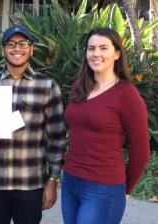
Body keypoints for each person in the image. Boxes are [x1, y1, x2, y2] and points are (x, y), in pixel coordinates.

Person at [0, 25, 66, 224]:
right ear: (3, 49)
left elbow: (57, 138)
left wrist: (53, 180)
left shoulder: (46, 85)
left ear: (31, 49)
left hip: (31, 185)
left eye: (22, 43)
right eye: (10, 44)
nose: (16, 48)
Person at [61, 27, 151, 224]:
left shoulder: (126, 94)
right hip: (70, 181)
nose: (96, 54)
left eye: (104, 48)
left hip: (103, 187)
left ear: (117, 53)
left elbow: (141, 149)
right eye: (91, 48)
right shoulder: (79, 87)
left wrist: (124, 190)